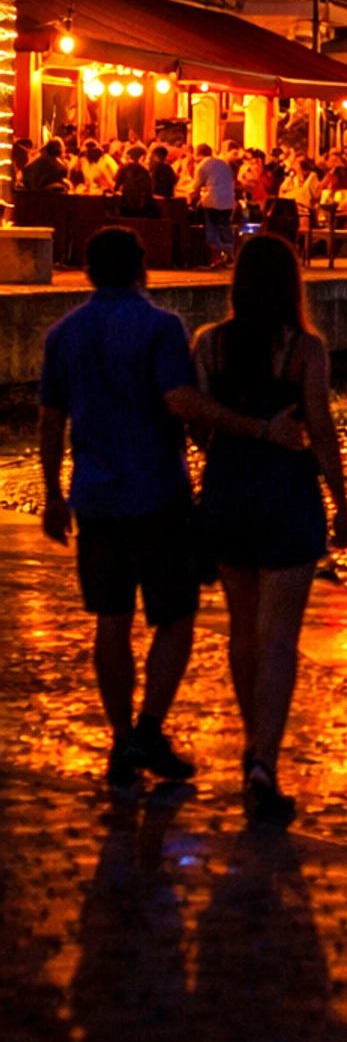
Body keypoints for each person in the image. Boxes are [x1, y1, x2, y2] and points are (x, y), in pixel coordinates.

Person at [38, 226, 306, 792]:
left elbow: (50, 419)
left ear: (87, 271)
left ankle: (120, 739)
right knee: (176, 617)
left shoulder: (64, 334)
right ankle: (150, 727)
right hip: (158, 493)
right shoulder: (162, 328)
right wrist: (258, 429)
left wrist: (52, 494)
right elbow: (183, 402)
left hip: (94, 497)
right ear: (143, 269)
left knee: (110, 621)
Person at [191, 235, 347, 825]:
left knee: (242, 628)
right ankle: (265, 759)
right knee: (280, 635)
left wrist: (233, 438)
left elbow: (198, 419)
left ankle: (254, 739)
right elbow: (322, 427)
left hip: (228, 488)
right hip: (286, 491)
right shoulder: (304, 348)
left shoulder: (209, 345)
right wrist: (341, 500)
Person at [193, 141, 237, 266]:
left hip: (212, 199)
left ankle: (215, 256)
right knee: (225, 226)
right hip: (228, 200)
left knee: (212, 227)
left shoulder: (202, 166)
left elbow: (196, 187)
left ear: (199, 154)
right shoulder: (223, 164)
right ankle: (229, 255)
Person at [116, 144, 159, 218]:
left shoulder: (124, 168)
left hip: (126, 207)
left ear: (129, 156)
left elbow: (116, 186)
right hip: (143, 208)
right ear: (142, 157)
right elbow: (149, 189)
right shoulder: (145, 170)